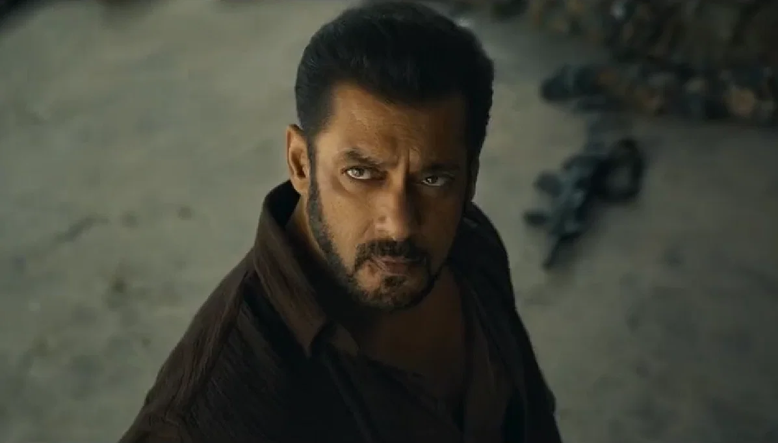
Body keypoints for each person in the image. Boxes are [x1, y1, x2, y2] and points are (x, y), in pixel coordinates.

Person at [119, 2, 562, 442]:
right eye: (361, 173)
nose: (399, 226)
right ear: (300, 163)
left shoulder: (470, 243)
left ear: (469, 178)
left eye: (432, 179)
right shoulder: (208, 418)